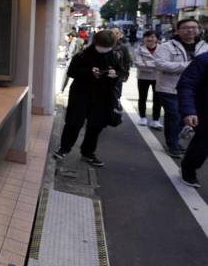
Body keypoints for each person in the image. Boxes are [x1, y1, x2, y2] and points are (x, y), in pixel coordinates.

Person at [52, 30, 121, 167]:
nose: (104, 49)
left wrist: (115, 74)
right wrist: (89, 72)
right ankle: (64, 148)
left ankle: (88, 152)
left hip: (103, 95)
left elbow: (122, 73)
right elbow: (71, 72)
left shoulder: (114, 56)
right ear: (96, 42)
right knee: (74, 122)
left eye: (107, 46)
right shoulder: (83, 55)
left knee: (96, 125)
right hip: (81, 93)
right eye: (102, 45)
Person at [154, 18, 208, 158]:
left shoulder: (204, 46)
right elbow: (160, 64)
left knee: (186, 117)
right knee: (175, 115)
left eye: (194, 27)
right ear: (177, 30)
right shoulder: (166, 46)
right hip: (169, 88)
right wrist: (189, 66)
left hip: (195, 90)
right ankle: (172, 144)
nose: (190, 30)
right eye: (186, 27)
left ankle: (176, 140)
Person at [178, 52, 208, 188]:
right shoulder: (203, 60)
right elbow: (187, 85)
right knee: (202, 144)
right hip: (204, 111)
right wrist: (189, 111)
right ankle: (188, 168)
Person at [134, 30, 163, 130]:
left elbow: (164, 63)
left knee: (157, 99)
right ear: (144, 38)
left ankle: (156, 120)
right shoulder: (138, 49)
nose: (150, 39)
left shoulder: (163, 49)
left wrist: (147, 63)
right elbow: (138, 64)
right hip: (143, 77)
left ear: (157, 39)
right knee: (142, 98)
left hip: (158, 77)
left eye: (152, 37)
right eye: (147, 37)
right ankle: (142, 117)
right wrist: (155, 64)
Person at [110, 27, 132, 98]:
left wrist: (124, 74)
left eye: (116, 33)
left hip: (117, 76)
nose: (114, 35)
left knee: (116, 96)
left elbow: (127, 62)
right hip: (104, 76)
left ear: (120, 35)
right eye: (111, 33)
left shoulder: (123, 47)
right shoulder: (103, 45)